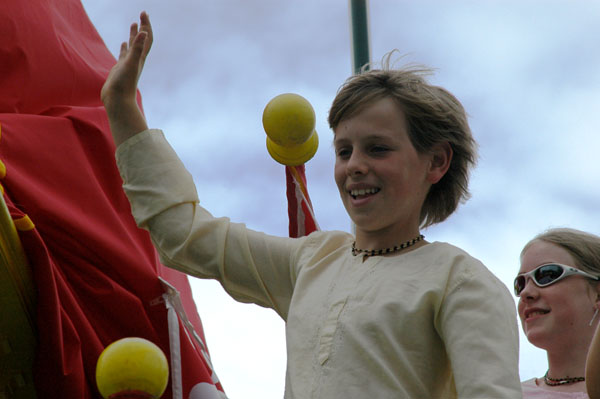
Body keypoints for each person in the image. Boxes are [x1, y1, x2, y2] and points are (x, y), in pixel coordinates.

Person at [101, 12, 522, 398]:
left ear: (437, 162)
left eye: (377, 149)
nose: (354, 166)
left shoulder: (461, 280)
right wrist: (122, 110)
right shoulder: (311, 261)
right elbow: (185, 235)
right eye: (343, 151)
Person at [516, 228, 600, 398]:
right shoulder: (507, 394)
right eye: (521, 283)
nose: (526, 293)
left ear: (598, 294)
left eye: (547, 274)